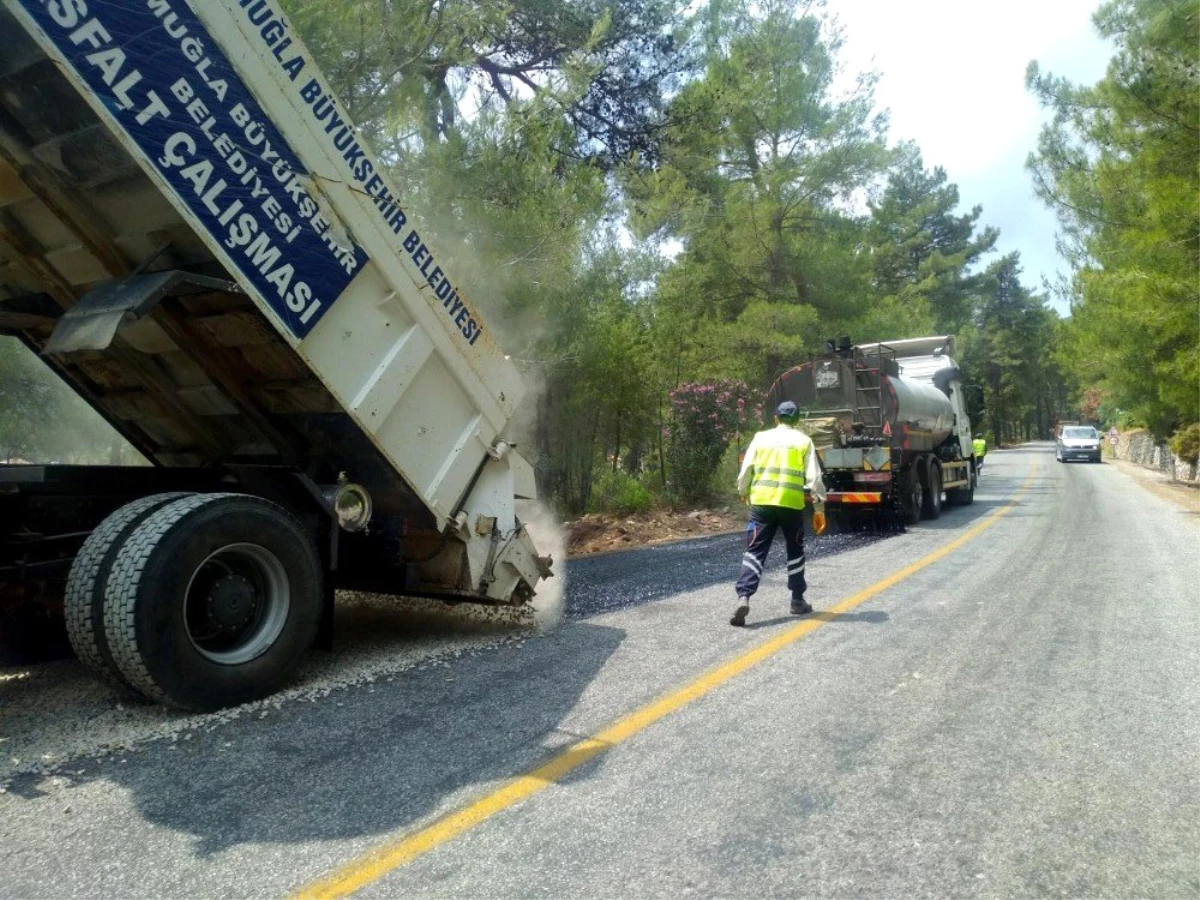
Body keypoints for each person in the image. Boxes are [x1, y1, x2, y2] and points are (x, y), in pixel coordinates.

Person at [731, 401, 826, 627]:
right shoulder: (804, 441)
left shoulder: (760, 437)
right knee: (795, 551)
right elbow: (815, 477)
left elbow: (746, 470)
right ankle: (797, 600)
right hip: (791, 506)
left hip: (762, 504)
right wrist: (819, 508)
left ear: (776, 418)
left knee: (755, 551)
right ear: (797, 420)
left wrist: (743, 491)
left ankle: (744, 596)